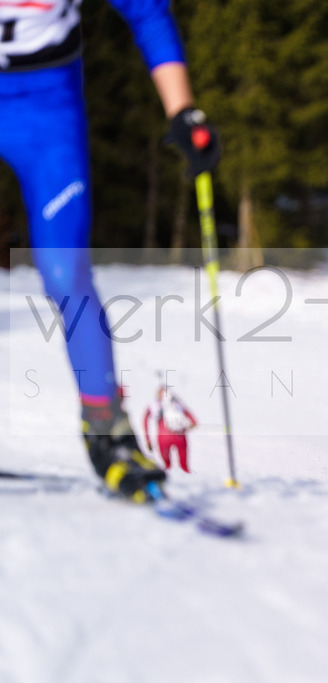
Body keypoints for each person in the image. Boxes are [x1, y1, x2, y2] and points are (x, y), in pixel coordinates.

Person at [1, 0, 220, 502]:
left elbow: (147, 13)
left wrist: (183, 111)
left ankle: (107, 430)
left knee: (65, 273)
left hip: (46, 111)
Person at [143, 386, 198, 473]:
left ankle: (170, 479)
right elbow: (190, 416)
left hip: (163, 438)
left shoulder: (154, 405)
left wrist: (148, 440)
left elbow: (145, 420)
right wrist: (192, 424)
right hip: (180, 436)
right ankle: (190, 478)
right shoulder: (176, 404)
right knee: (184, 467)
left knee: (167, 466)